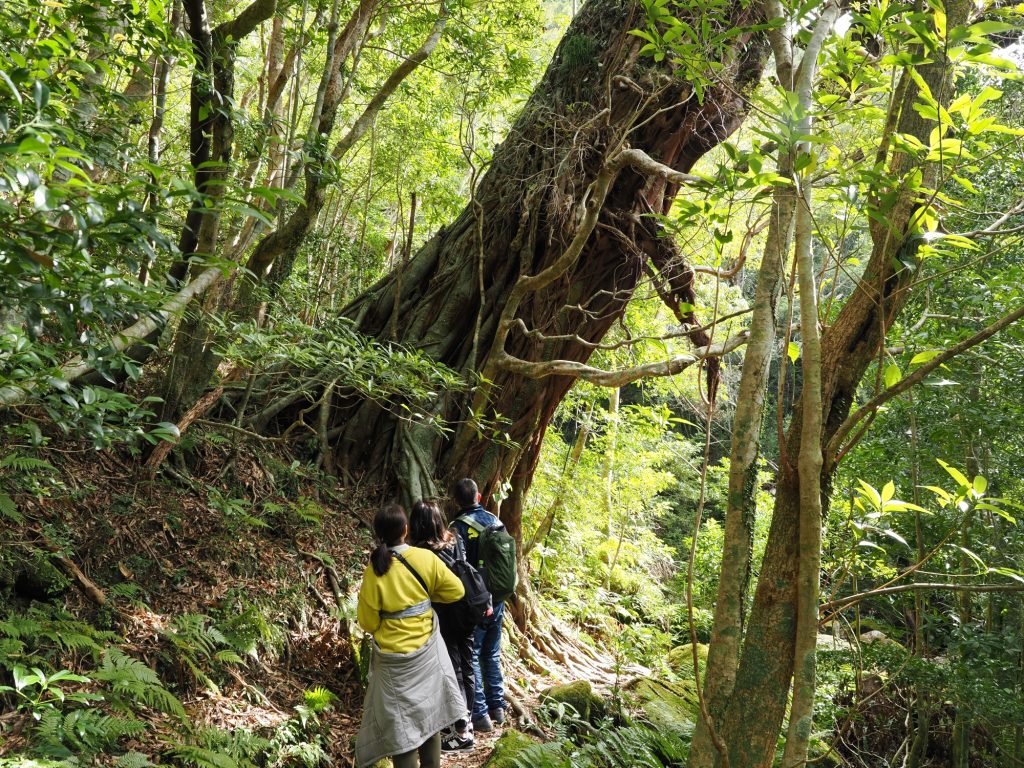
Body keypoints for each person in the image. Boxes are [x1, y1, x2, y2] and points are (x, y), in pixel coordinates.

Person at [355, 503, 466, 768]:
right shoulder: (425, 558)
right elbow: (457, 591)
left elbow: (368, 623)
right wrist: (425, 601)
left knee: (401, 727)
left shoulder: (375, 569)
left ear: (379, 533)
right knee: (429, 718)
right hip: (427, 654)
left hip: (393, 663)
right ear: (406, 529)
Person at [408, 500, 480, 751]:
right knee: (468, 664)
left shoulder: (423, 552)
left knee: (453, 667)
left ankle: (460, 732)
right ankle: (467, 723)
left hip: (446, 613)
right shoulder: (455, 539)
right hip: (469, 608)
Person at [451, 478, 507, 733]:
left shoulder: (457, 527)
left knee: (472, 655)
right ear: (480, 496)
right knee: (491, 653)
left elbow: (458, 565)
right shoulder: (496, 521)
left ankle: (481, 715)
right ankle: (499, 708)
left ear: (456, 501)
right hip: (499, 598)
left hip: (476, 602)